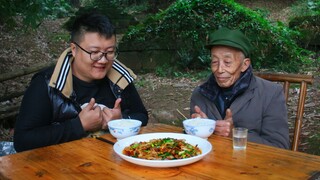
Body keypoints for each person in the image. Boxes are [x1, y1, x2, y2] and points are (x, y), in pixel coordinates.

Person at [14, 11, 148, 152]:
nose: (103, 60)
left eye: (109, 52)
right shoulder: (47, 83)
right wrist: (79, 125)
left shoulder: (119, 77)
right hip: (60, 168)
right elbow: (23, 140)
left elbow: (142, 115)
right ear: (74, 49)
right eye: (94, 52)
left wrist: (121, 120)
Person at [190, 27, 290, 149]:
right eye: (214, 62)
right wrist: (200, 130)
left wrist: (235, 134)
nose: (219, 70)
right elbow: (191, 145)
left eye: (227, 62)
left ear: (244, 65)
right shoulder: (200, 94)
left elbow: (280, 147)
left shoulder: (271, 94)